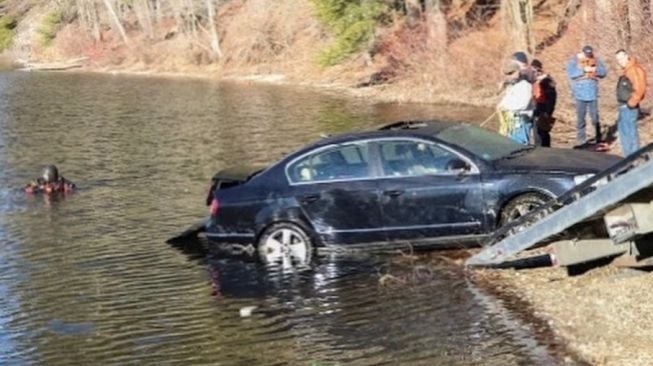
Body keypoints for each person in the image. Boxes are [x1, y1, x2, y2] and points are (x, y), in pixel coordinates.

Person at [565, 45, 607, 145]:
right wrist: (583, 70)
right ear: (583, 52)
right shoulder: (574, 60)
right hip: (579, 94)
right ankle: (581, 140)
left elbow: (604, 72)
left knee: (595, 118)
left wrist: (595, 70)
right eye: (586, 54)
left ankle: (598, 138)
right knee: (580, 118)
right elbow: (571, 73)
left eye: (589, 54)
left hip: (593, 93)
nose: (588, 55)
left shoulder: (596, 60)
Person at [615, 49, 647, 156]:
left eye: (622, 58)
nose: (620, 61)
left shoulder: (634, 70)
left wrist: (632, 103)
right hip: (623, 106)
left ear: (627, 56)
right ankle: (628, 157)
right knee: (624, 133)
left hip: (629, 107)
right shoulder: (626, 71)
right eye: (618, 59)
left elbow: (640, 88)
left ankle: (633, 157)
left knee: (630, 133)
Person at [498, 61, 534, 144]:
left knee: (518, 147)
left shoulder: (525, 85)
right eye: (507, 74)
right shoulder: (512, 85)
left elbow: (523, 104)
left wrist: (505, 107)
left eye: (511, 73)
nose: (508, 76)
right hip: (511, 123)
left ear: (517, 71)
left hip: (520, 123)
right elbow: (506, 100)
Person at [531, 59, 557, 147]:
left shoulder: (546, 81)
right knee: (538, 132)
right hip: (537, 108)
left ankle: (543, 150)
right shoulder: (536, 81)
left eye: (535, 70)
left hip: (543, 109)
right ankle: (541, 147)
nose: (534, 73)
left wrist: (548, 112)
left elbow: (551, 98)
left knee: (542, 132)